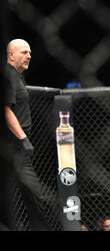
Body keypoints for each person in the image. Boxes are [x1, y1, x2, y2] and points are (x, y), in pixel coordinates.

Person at [2, 38, 51, 231]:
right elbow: (6, 109)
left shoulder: (16, 76)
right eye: (24, 52)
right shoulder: (9, 74)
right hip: (14, 145)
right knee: (32, 194)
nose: (29, 56)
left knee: (31, 195)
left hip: (16, 147)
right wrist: (22, 138)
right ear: (11, 55)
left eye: (30, 52)